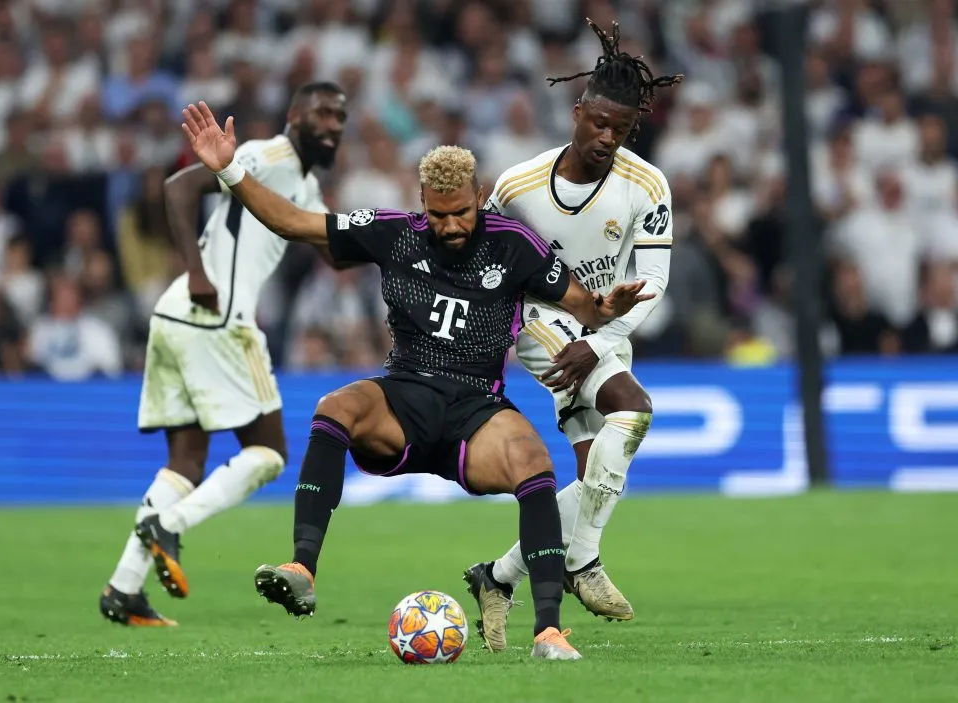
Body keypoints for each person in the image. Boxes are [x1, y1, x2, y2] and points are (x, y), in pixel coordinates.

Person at [180, 100, 654, 659]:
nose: (450, 226)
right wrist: (228, 170)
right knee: (335, 407)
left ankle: (548, 630)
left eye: (461, 213)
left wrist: (606, 306)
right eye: (438, 215)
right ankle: (302, 567)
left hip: (477, 407)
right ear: (421, 203)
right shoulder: (392, 233)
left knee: (534, 464)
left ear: (479, 199)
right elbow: (294, 222)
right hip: (404, 394)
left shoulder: (514, 245)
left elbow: (585, 308)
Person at [464, 19, 682, 651]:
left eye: (622, 129)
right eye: (599, 123)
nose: (608, 138)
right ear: (578, 111)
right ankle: (582, 562)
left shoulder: (647, 186)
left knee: (593, 479)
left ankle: (497, 575)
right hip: (536, 321)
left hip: (605, 326)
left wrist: (599, 335)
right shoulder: (518, 188)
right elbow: (482, 265)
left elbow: (654, 281)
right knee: (633, 409)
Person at [99, 82, 348, 627]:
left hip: (175, 319)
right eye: (322, 112)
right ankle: (171, 525)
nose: (332, 123)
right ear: (294, 116)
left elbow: (335, 251)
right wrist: (195, 270)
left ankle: (123, 588)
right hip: (216, 315)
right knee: (270, 453)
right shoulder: (269, 155)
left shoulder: (302, 182)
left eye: (340, 116)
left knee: (185, 462)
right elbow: (180, 187)